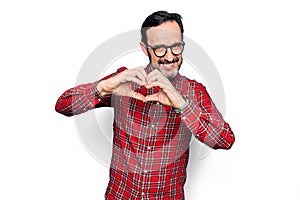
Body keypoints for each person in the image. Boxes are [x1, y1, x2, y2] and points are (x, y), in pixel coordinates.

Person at [55, 10, 235, 200]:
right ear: (145, 48)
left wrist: (182, 105)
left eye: (176, 46)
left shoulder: (194, 91)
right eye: (159, 48)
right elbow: (63, 105)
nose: (169, 56)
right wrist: (105, 87)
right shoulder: (123, 81)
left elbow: (225, 140)